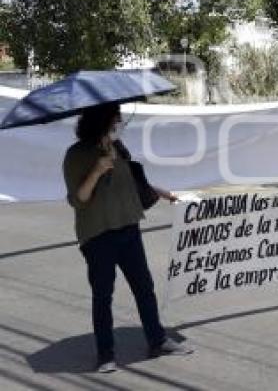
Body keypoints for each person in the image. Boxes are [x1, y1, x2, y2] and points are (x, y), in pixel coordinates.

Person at [62, 103, 192, 373]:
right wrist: (97, 171)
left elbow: (134, 183)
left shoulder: (118, 148)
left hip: (128, 229)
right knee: (103, 295)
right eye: (115, 117)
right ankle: (106, 354)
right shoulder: (76, 155)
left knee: (144, 288)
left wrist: (166, 194)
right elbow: (79, 200)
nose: (119, 121)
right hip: (98, 236)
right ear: (102, 119)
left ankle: (157, 339)